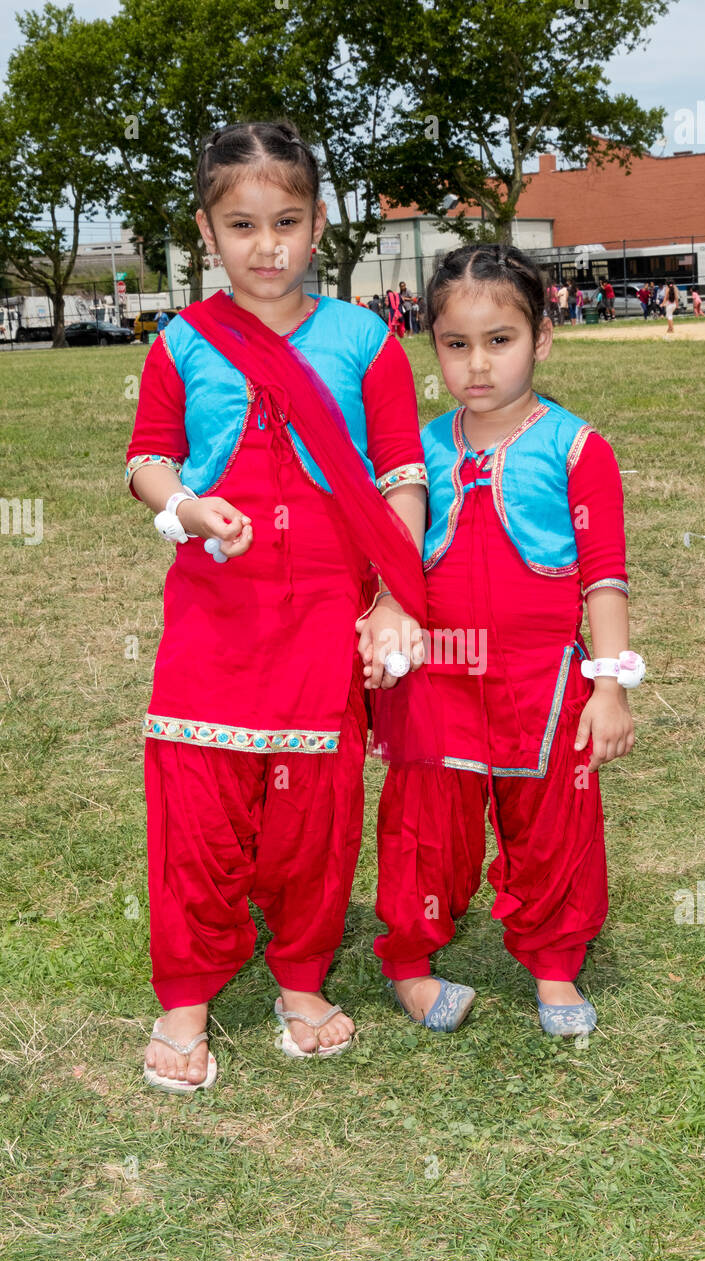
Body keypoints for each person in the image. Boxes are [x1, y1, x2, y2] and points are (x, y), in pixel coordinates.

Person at [126, 119, 430, 1090]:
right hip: (213, 622)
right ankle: (184, 1001)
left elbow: (401, 476)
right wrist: (182, 503)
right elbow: (145, 458)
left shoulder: (362, 341)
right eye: (243, 225)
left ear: (319, 224)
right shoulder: (181, 342)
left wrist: (392, 600)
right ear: (206, 233)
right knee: (197, 811)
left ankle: (299, 981)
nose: (268, 247)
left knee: (315, 811)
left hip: (322, 626)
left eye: (287, 222)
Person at [373, 243, 641, 1036]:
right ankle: (411, 964)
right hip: (437, 680)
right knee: (426, 827)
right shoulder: (415, 449)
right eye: (456, 345)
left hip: (547, 686)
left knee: (556, 828)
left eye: (500, 341)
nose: (478, 365)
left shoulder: (577, 448)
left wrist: (609, 686)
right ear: (434, 350)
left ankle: (556, 966)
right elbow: (390, 559)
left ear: (542, 339)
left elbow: (604, 577)